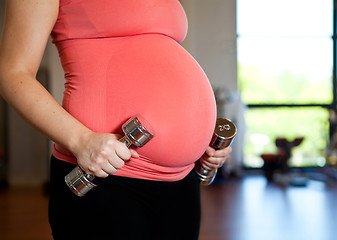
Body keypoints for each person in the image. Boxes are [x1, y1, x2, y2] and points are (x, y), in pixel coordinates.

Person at [0, 0, 232, 239]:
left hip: (181, 181)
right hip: (106, 174)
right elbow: (13, 73)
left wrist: (194, 137)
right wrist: (82, 140)